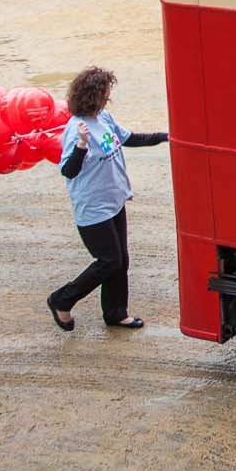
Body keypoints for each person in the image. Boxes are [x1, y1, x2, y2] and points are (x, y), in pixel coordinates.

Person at [47, 66, 167, 332]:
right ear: (94, 95)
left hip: (114, 201)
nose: (109, 96)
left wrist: (166, 137)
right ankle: (61, 299)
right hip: (92, 208)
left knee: (121, 259)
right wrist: (80, 145)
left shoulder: (104, 118)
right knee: (109, 261)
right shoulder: (76, 129)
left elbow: (129, 139)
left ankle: (116, 313)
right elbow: (68, 170)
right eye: (106, 92)